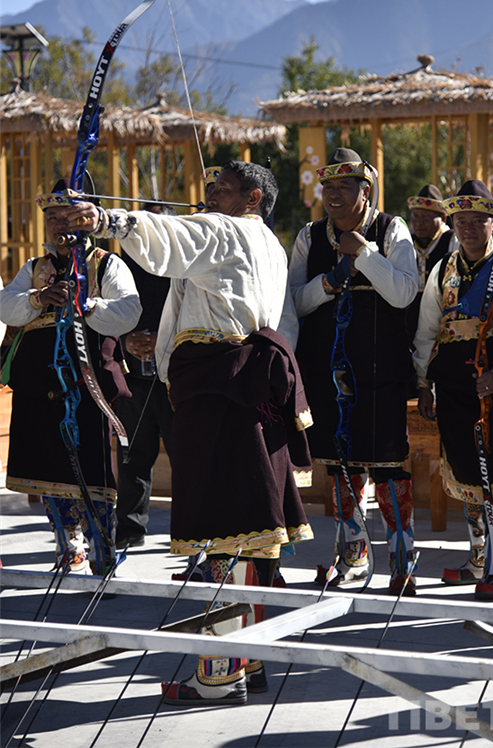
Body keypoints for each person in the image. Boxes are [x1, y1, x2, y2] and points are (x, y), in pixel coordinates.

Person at [64, 160, 313, 706]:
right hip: (243, 394)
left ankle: (219, 674)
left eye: (219, 190)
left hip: (220, 393)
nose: (207, 197)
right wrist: (156, 345)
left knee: (222, 527)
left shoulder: (228, 228)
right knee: (252, 533)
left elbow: (168, 238)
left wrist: (102, 217)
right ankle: (245, 660)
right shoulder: (269, 242)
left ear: (251, 197)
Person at [289, 148, 419, 594]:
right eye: (327, 187)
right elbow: (292, 304)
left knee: (388, 463)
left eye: (344, 186)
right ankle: (353, 555)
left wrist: (364, 255)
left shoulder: (391, 228)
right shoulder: (309, 237)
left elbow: (404, 293)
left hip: (380, 368)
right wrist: (329, 281)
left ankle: (402, 561)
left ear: (366, 191)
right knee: (340, 462)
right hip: (326, 367)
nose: (333, 195)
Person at [0, 179, 141, 574]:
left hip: (87, 383)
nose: (60, 223)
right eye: (52, 217)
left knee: (94, 468)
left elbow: (130, 312)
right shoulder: (33, 269)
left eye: (69, 215)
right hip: (39, 386)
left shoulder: (107, 263)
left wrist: (87, 303)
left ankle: (102, 548)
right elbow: (6, 307)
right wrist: (37, 298)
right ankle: (68, 547)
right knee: (47, 469)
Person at [413, 179, 493, 599]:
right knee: (467, 474)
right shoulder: (443, 269)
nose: (468, 228)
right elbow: (427, 330)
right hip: (453, 383)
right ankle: (475, 557)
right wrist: (423, 382)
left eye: (477, 221)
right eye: (460, 221)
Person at [114, 202, 175, 551]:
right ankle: (130, 528)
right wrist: (126, 341)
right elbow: (104, 317)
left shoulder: (185, 270)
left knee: (186, 458)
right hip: (133, 378)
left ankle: (189, 531)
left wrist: (161, 342)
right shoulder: (121, 269)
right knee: (132, 457)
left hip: (174, 380)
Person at [406, 183, 458, 347]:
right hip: (409, 313)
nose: (419, 223)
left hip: (443, 310)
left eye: (426, 217)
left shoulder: (452, 240)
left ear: (442, 218)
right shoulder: (406, 241)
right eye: (415, 217)